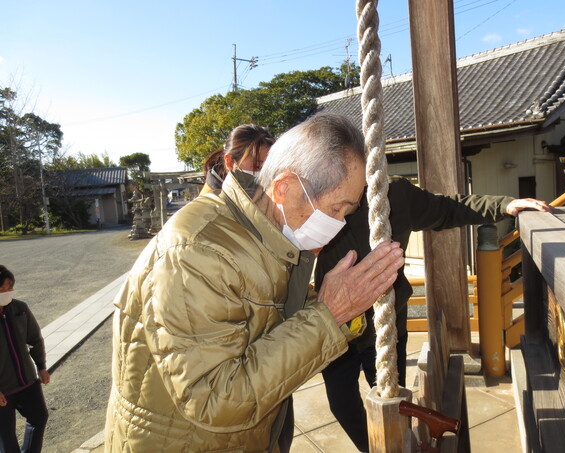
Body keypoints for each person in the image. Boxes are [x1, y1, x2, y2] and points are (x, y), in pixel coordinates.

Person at [104, 113, 405, 453]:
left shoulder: (265, 239)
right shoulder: (197, 252)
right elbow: (213, 400)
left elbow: (262, 319)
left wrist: (339, 303)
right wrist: (328, 314)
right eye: (337, 209)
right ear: (285, 188)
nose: (339, 224)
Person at [315, 177, 552, 451]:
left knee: (393, 404)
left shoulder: (395, 195)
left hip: (384, 325)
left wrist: (505, 204)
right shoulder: (320, 194)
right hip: (335, 327)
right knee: (342, 404)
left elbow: (447, 208)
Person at [0, 265, 50, 453]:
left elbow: (35, 339)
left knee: (39, 417)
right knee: (6, 439)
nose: (7, 292)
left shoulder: (20, 308)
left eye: (9, 287)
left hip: (27, 381)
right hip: (3, 389)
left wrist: (41, 367)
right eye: (1, 288)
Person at [199, 124, 275, 196]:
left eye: (269, 168)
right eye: (257, 166)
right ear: (230, 162)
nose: (264, 174)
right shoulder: (211, 205)